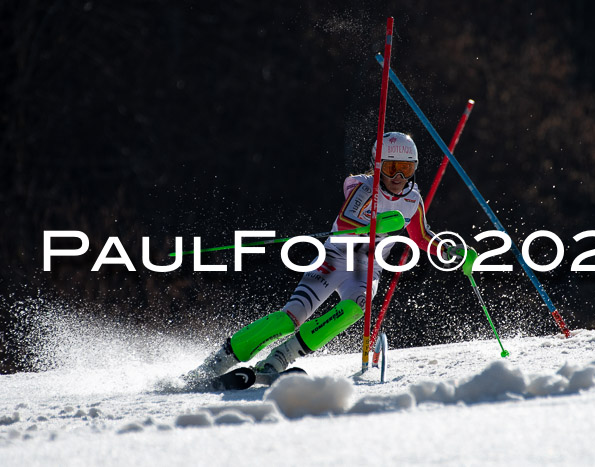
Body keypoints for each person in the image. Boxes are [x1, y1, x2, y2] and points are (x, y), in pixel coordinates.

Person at [185, 132, 468, 384]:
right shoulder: (364, 188)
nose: (398, 178)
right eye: (392, 168)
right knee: (291, 318)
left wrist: (451, 250)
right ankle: (220, 360)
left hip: (366, 271)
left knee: (355, 308)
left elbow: (421, 236)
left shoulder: (411, 198)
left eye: (406, 169)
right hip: (334, 258)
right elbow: (345, 221)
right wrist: (376, 225)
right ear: (378, 165)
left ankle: (280, 358)